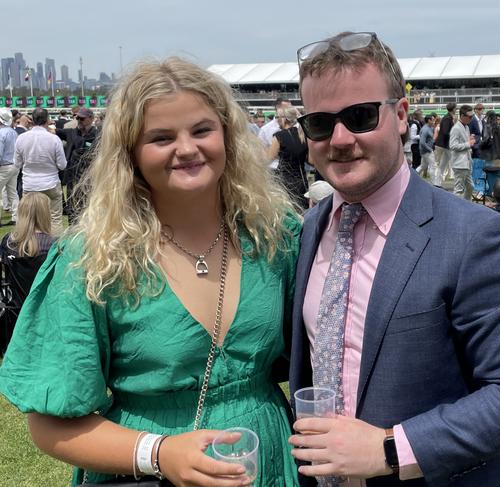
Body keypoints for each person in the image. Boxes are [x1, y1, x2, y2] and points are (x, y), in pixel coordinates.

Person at [0, 57, 300, 486]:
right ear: (130, 154)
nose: (187, 148)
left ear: (228, 136)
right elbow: (48, 425)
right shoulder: (91, 257)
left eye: (201, 130)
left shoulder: (274, 235)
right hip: (145, 473)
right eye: (161, 137)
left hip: (265, 461)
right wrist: (158, 453)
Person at [289, 31, 500, 486]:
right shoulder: (313, 227)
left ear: (399, 115)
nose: (339, 138)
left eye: (359, 116)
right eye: (319, 123)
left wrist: (390, 448)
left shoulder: (474, 235)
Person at [14, 107, 67, 235]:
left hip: (30, 184)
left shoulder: (21, 138)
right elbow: (62, 165)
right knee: (55, 219)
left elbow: (17, 163)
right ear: (47, 120)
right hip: (50, 183)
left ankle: (28, 246)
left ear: (32, 120)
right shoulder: (54, 139)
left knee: (29, 219)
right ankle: (55, 248)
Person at [0, 192, 55, 307]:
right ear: (46, 214)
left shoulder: (8, 242)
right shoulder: (54, 245)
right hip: (46, 309)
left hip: (15, 310)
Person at [56, 107, 99, 223]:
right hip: (72, 178)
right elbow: (53, 131)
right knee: (72, 208)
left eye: (82, 118)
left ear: (91, 118)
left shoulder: (98, 135)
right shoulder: (71, 133)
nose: (79, 120)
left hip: (90, 178)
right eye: (77, 118)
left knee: (89, 208)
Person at [268, 106, 309, 210]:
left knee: (287, 211)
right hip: (301, 179)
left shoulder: (279, 136)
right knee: (302, 209)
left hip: (285, 181)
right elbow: (311, 160)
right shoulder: (302, 134)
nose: (277, 119)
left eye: (278, 117)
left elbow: (268, 158)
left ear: (284, 119)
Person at [449, 105, 475, 200]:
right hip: (459, 163)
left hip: (466, 162)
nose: (471, 118)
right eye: (469, 116)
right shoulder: (456, 128)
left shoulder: (466, 127)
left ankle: (466, 205)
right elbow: (453, 145)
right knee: (458, 189)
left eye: (472, 116)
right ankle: (455, 209)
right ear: (462, 116)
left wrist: (469, 142)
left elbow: (464, 143)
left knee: (470, 187)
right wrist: (468, 144)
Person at [0, 107, 18, 225]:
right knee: (13, 193)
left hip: (4, 166)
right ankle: (16, 217)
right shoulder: (13, 132)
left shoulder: (1, 133)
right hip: (14, 165)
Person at [434, 102, 456, 185]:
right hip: (444, 145)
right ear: (453, 109)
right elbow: (446, 132)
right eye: (455, 108)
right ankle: (437, 182)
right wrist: (454, 134)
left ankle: (437, 183)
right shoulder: (447, 118)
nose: (456, 109)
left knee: (443, 164)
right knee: (453, 163)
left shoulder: (448, 117)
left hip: (444, 144)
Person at [417, 114, 436, 182]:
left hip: (425, 151)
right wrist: (430, 149)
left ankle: (414, 177)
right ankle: (434, 183)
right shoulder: (425, 129)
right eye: (433, 120)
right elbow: (422, 142)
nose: (434, 121)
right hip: (427, 151)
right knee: (432, 166)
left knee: (423, 166)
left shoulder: (429, 128)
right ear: (429, 120)